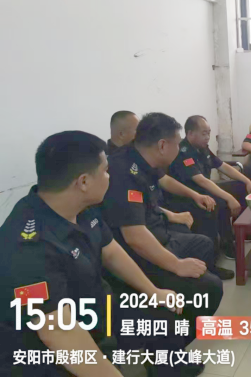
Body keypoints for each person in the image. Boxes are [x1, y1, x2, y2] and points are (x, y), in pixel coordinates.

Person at [0, 131, 203, 376]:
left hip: (96, 306)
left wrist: (153, 292)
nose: (110, 176)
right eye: (106, 171)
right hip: (46, 347)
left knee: (164, 317)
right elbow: (59, 332)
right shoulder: (27, 248)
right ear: (83, 182)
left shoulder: (80, 206)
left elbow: (111, 251)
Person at [101, 112, 226, 328]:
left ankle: (184, 303)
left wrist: (195, 195)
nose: (178, 148)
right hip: (138, 252)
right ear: (162, 145)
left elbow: (164, 180)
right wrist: (177, 265)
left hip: (159, 230)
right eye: (176, 144)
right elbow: (135, 238)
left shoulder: (143, 158)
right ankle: (176, 330)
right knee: (211, 287)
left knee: (203, 244)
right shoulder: (123, 173)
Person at [166, 115, 251, 260]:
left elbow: (223, 166)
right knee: (221, 201)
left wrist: (246, 180)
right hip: (190, 195)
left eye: (209, 133)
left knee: (241, 186)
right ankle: (226, 243)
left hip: (205, 189)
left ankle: (240, 231)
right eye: (204, 133)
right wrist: (229, 197)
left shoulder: (202, 148)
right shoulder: (183, 152)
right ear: (190, 133)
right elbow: (201, 181)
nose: (207, 137)